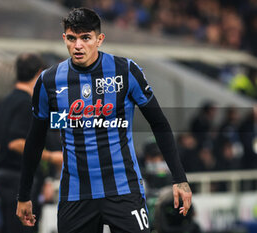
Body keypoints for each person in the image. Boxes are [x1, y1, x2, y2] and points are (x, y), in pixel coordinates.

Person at [17, 7, 192, 233]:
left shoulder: (126, 72)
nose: (78, 45)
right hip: (75, 195)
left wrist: (179, 179)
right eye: (72, 38)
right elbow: (35, 139)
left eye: (85, 38)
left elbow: (159, 123)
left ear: (99, 39)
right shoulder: (49, 81)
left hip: (123, 189)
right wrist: (24, 194)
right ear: (64, 39)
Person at [0, 53, 62, 233]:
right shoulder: (26, 104)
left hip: (5, 177)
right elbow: (16, 142)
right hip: (19, 181)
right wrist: (52, 157)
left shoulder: (5, 102)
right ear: (39, 74)